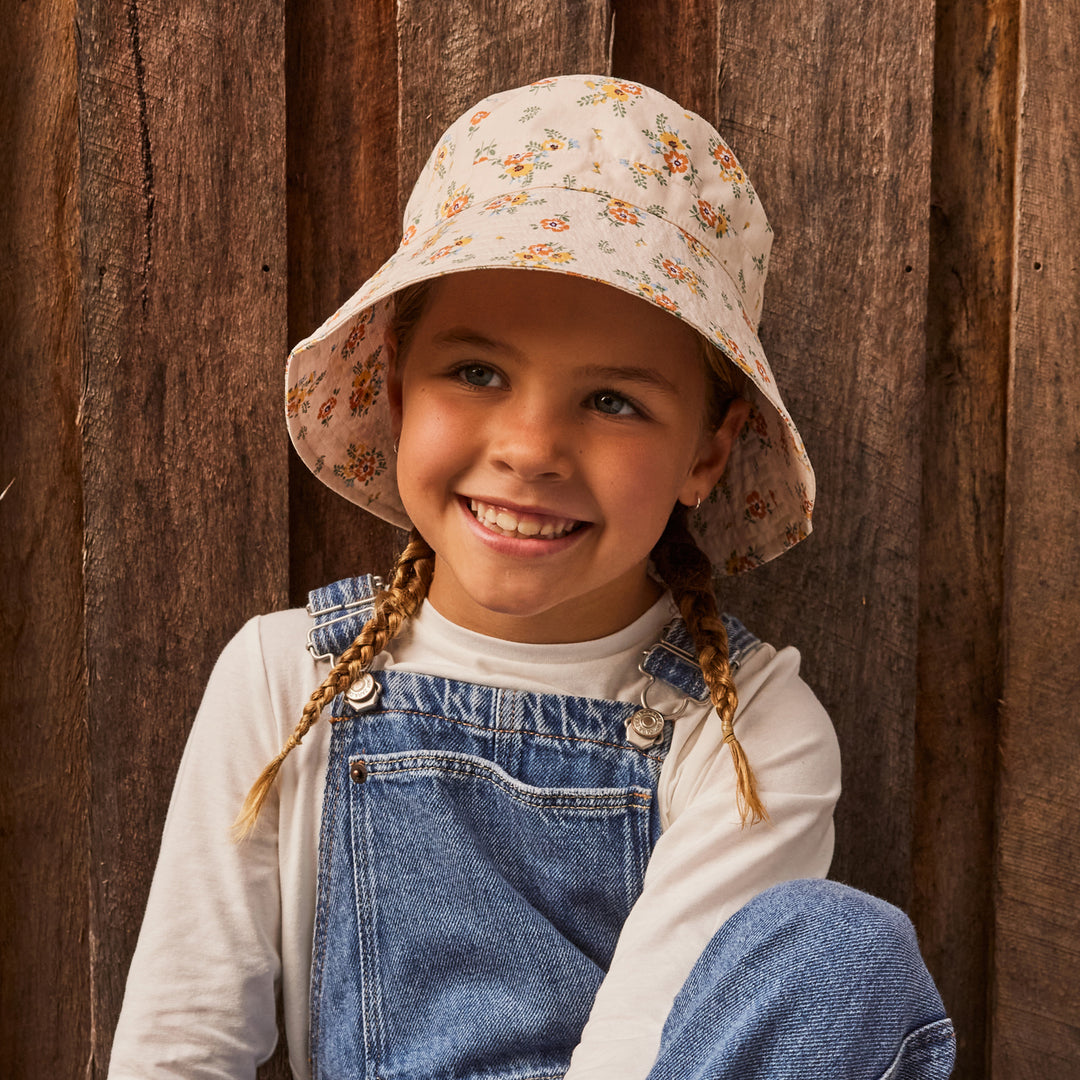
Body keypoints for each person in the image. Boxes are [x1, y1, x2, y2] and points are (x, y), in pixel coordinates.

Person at [109, 75, 955, 1079]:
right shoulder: (285, 677)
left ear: (709, 451)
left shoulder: (746, 731)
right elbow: (179, 1048)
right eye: (478, 375)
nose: (531, 447)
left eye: (611, 399)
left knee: (842, 948)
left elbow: (644, 1058)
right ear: (393, 384)